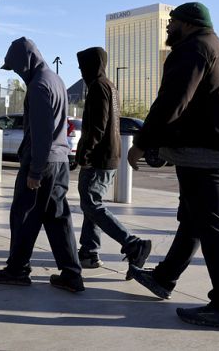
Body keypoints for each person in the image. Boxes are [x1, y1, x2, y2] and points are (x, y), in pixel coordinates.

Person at [126, 2, 219, 332]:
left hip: (203, 150)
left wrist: (142, 143)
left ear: (189, 23)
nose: (168, 27)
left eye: (172, 21)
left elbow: (172, 101)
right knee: (193, 219)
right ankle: (164, 278)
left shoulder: (193, 49)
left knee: (212, 225)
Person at [0, 37, 83, 293]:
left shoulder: (38, 86)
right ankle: (72, 274)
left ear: (26, 61)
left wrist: (35, 171)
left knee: (23, 215)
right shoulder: (56, 80)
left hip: (43, 162)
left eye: (16, 67)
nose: (16, 73)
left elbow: (42, 133)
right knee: (58, 218)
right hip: (60, 161)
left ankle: (17, 270)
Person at [74, 46, 152, 272]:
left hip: (98, 157)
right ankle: (89, 252)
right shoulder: (110, 86)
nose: (81, 71)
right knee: (92, 204)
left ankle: (132, 243)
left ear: (92, 65)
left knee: (92, 204)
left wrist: (85, 153)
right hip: (108, 155)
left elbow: (98, 125)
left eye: (82, 67)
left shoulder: (98, 86)